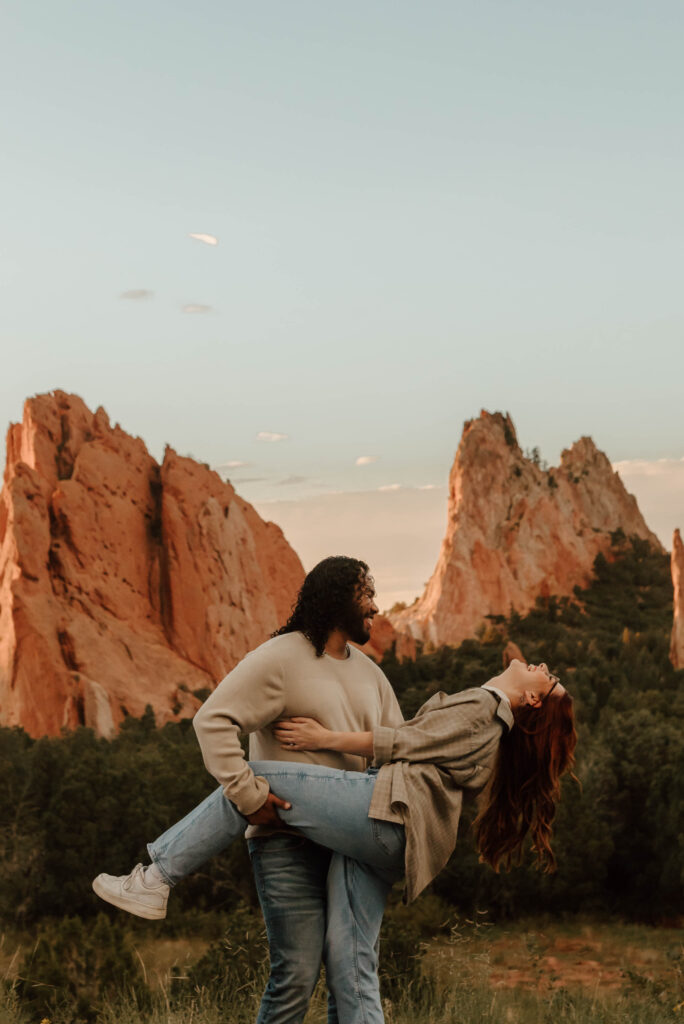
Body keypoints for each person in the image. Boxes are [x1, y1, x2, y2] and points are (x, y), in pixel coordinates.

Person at [94, 658, 577, 1024]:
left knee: (252, 779)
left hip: (387, 812)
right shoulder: (488, 722)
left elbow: (400, 743)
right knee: (351, 963)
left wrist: (324, 738)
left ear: (533, 700)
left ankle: (155, 879)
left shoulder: (485, 706)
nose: (541, 667)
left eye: (548, 678)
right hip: (394, 839)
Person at [96, 555, 403, 1024]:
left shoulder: (370, 673)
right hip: (285, 841)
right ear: (339, 598)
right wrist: (249, 797)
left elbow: (397, 748)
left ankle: (154, 877)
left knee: (350, 977)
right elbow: (212, 720)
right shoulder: (281, 657)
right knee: (296, 976)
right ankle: (153, 878)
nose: (376, 607)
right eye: (367, 595)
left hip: (346, 848)